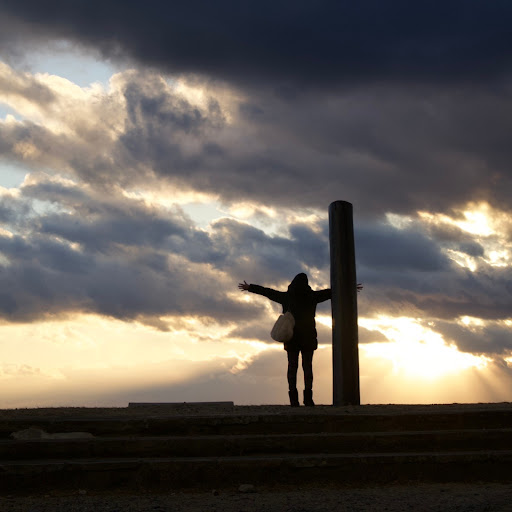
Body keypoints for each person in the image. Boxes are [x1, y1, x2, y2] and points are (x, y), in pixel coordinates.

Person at [238, 273, 331, 407]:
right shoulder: (312, 297)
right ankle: (308, 399)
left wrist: (250, 287)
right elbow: (331, 293)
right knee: (307, 368)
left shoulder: (287, 297)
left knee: (292, 368)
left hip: (291, 337)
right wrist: (350, 288)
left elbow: (268, 292)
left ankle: (293, 400)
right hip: (308, 337)